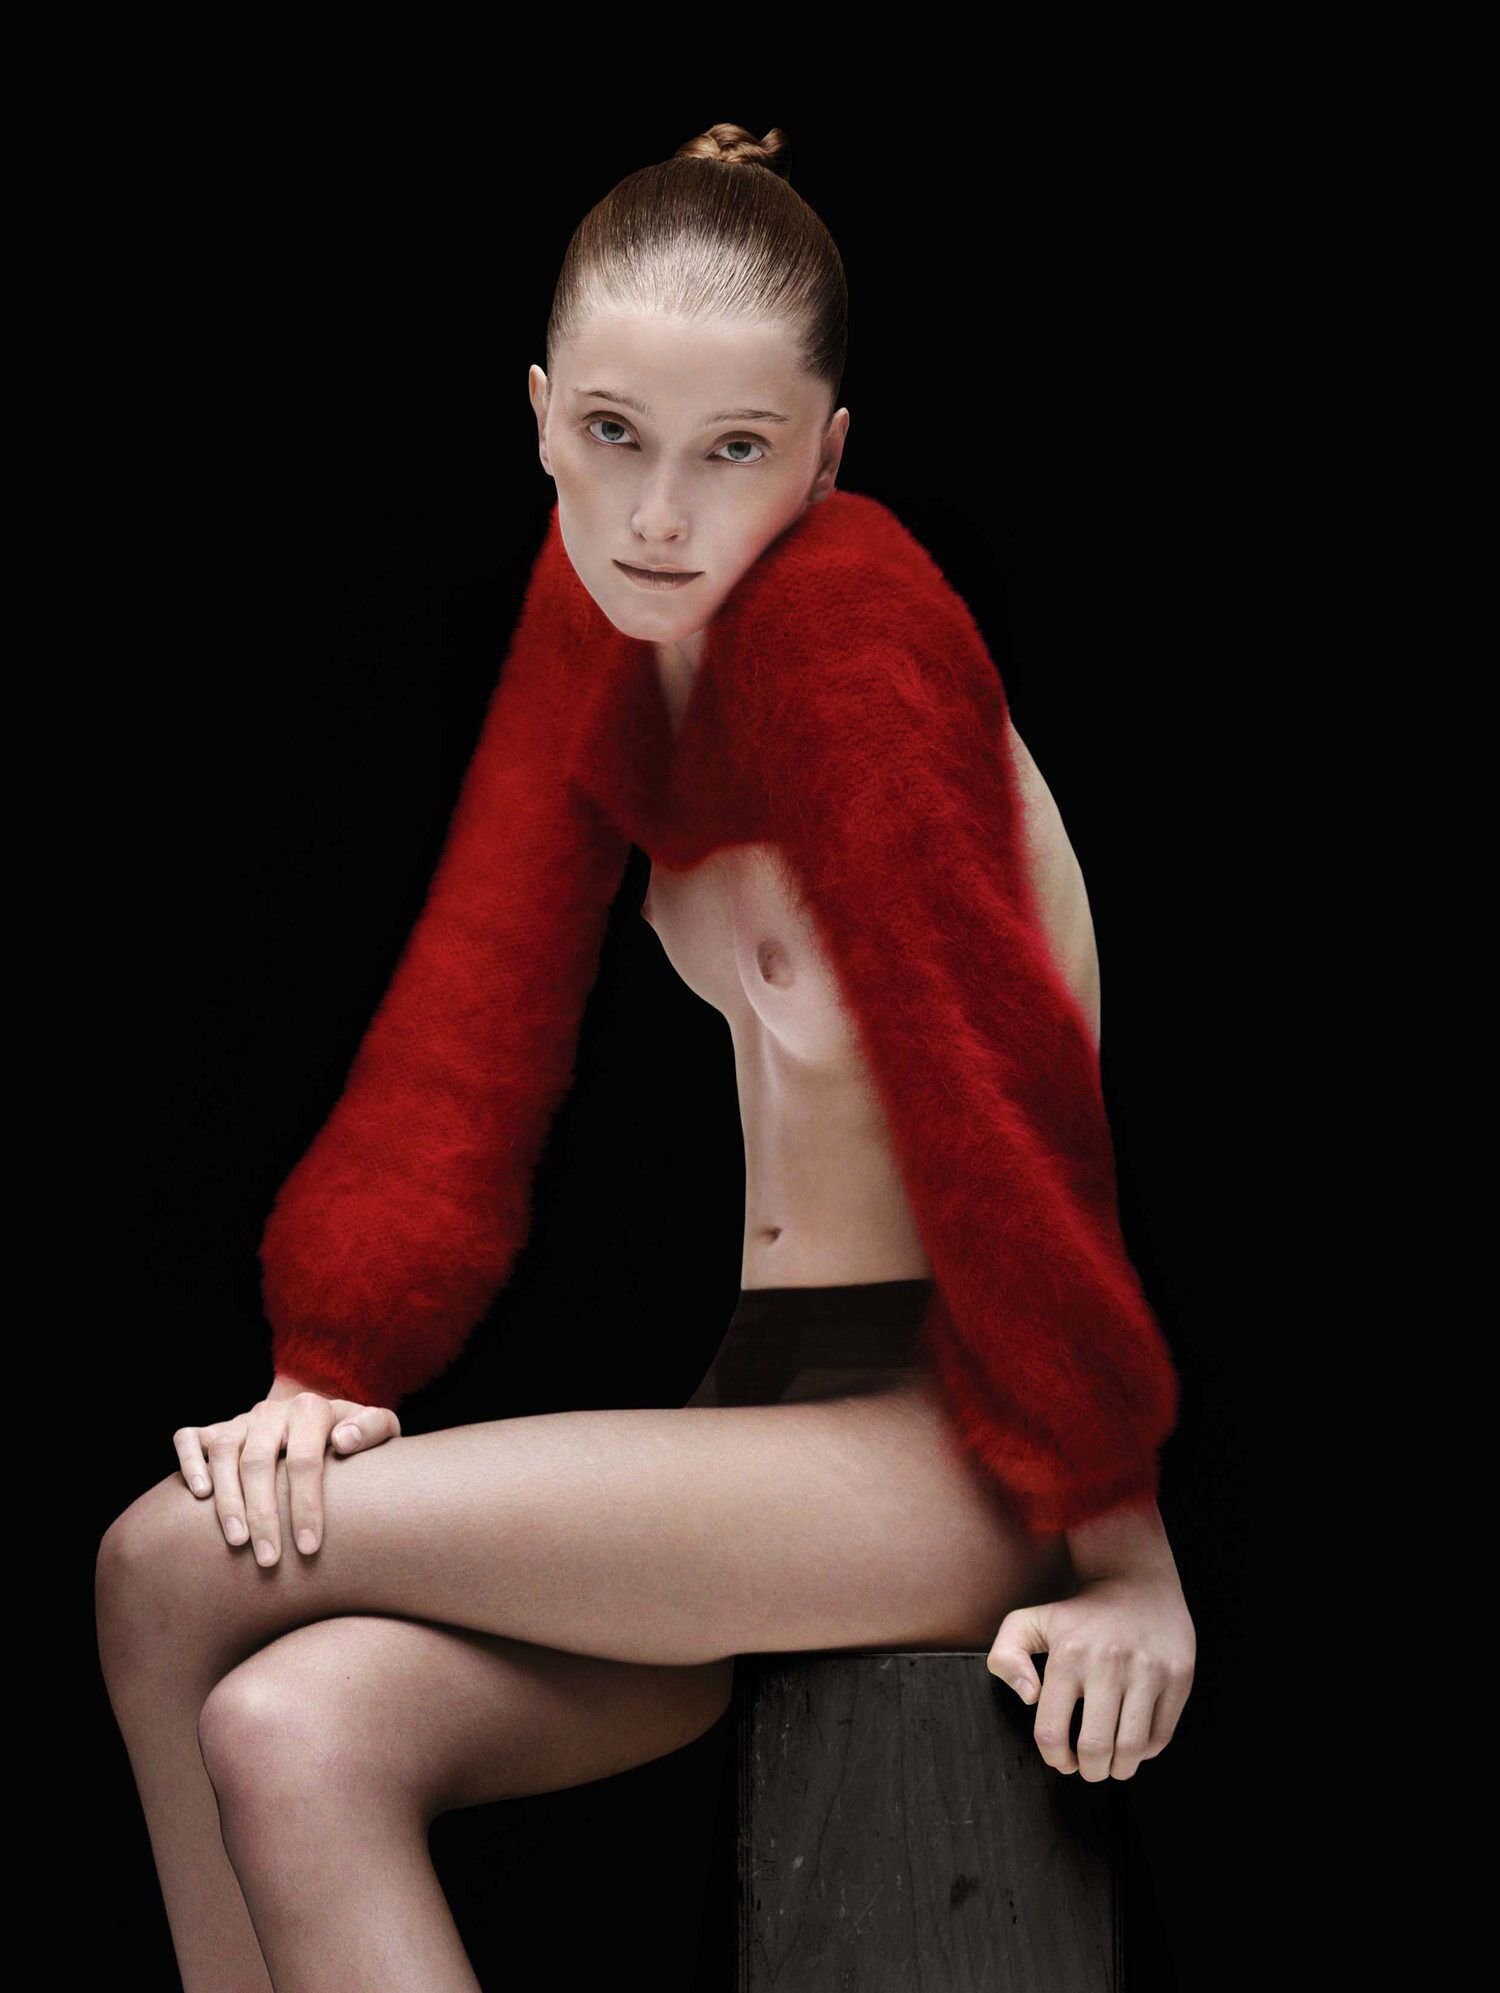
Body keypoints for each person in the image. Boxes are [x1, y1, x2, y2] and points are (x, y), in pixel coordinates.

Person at [96, 122, 1196, 1990]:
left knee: (161, 1563)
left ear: (827, 457)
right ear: (540, 417)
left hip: (956, 1438)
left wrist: (1125, 1554)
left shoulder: (852, 633)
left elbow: (997, 1096)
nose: (658, 515)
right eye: (614, 433)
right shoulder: (609, 614)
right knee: (291, 1730)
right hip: (754, 1425)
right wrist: (332, 1352)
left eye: (733, 451)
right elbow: (482, 982)